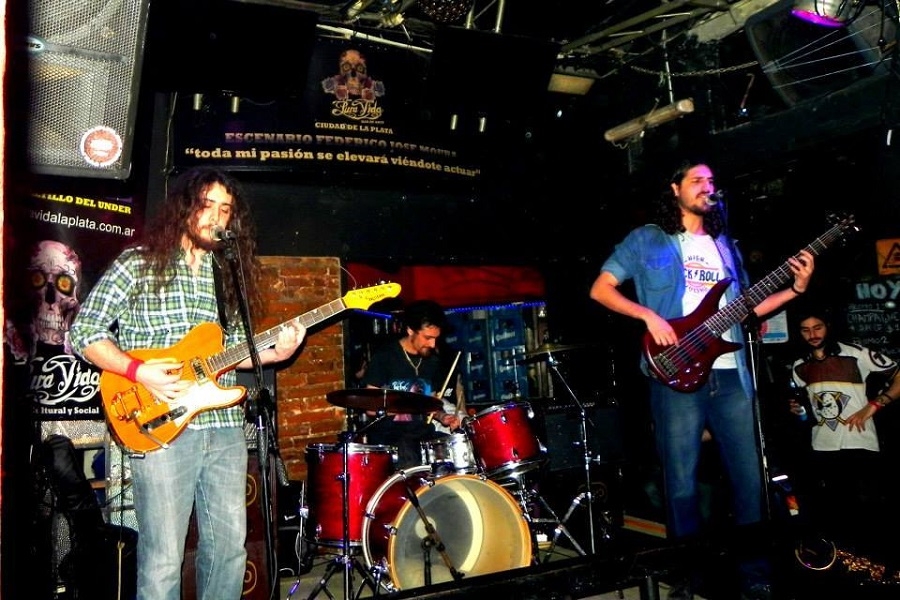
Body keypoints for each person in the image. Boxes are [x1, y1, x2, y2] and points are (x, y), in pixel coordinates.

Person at [69, 166, 306, 600]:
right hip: (158, 423)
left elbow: (233, 350)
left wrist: (277, 353)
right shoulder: (138, 263)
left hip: (223, 426)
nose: (216, 217)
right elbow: (84, 331)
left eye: (225, 209)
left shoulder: (226, 273)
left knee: (230, 550)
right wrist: (137, 371)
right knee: (164, 558)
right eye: (206, 205)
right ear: (184, 208)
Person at [589, 159, 815, 600]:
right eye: (697, 180)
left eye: (711, 181)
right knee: (682, 485)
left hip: (730, 377)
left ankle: (755, 574)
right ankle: (686, 578)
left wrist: (795, 289)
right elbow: (601, 289)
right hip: (674, 372)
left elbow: (746, 309)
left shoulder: (725, 246)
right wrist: (649, 316)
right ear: (675, 188)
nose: (706, 187)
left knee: (749, 479)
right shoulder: (648, 239)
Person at [788, 305, 900, 562]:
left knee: (868, 513)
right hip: (822, 445)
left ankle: (878, 566)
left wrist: (875, 405)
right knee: (834, 515)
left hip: (859, 440)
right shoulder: (799, 366)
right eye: (805, 330)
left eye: (817, 327)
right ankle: (845, 566)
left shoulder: (856, 354)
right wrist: (797, 409)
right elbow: (809, 405)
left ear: (828, 327)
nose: (812, 334)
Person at [360, 299, 462, 469]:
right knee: (408, 452)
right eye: (427, 338)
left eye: (435, 338)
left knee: (452, 453)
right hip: (390, 436)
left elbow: (430, 404)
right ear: (410, 330)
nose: (432, 344)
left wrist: (443, 416)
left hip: (420, 433)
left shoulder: (432, 361)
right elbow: (370, 408)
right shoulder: (385, 357)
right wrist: (407, 406)